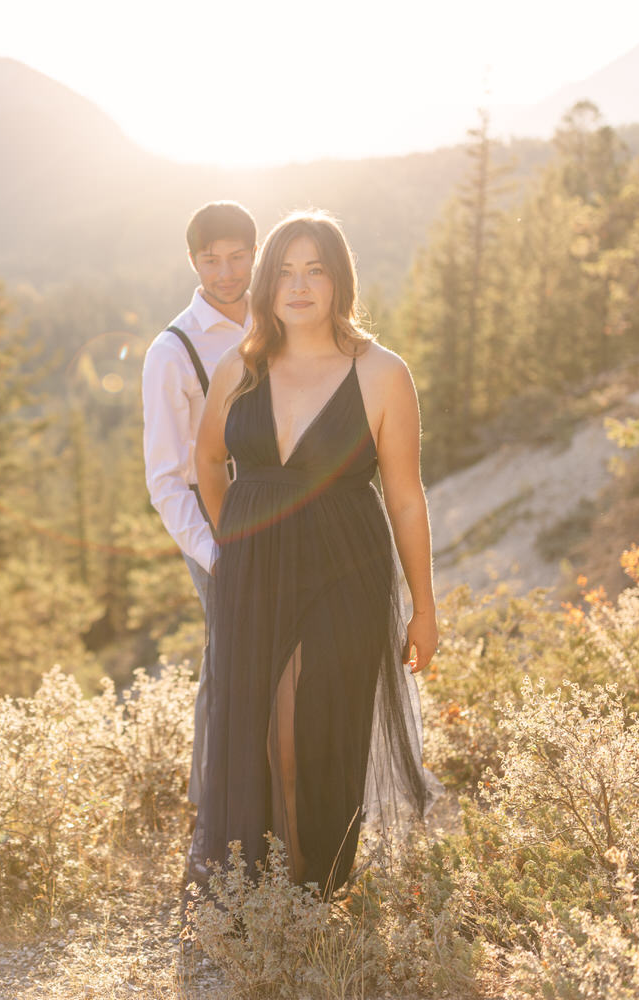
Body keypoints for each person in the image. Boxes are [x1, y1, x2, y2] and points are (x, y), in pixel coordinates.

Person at [188, 209, 438, 899]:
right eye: (286, 271)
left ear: (339, 281)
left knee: (310, 729)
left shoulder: (382, 373)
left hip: (344, 570)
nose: (299, 286)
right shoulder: (238, 369)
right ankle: (269, 891)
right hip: (255, 576)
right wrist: (235, 539)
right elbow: (208, 460)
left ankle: (310, 893)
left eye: (315, 270)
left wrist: (424, 608)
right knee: (261, 733)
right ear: (268, 284)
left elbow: (407, 498)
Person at [141, 201, 257, 810]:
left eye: (237, 257)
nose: (226, 273)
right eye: (211, 260)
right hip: (213, 518)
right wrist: (213, 552)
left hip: (283, 502)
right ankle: (213, 808)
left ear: (255, 254)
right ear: (193, 262)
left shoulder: (276, 321)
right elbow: (164, 477)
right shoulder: (172, 349)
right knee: (232, 658)